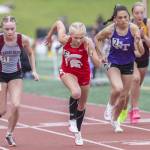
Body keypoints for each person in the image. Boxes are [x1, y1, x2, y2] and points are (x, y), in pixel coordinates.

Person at [45, 20, 101, 145]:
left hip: (84, 74)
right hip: (67, 71)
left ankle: (78, 133)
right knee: (76, 93)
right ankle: (71, 120)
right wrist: (49, 35)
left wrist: (92, 53)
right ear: (71, 35)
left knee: (82, 105)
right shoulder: (63, 39)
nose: (78, 40)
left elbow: (97, 64)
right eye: (76, 37)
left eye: (81, 37)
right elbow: (58, 23)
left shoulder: (87, 43)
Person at [94, 4, 144, 132]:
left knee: (124, 96)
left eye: (125, 17)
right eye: (120, 18)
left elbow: (141, 52)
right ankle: (110, 106)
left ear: (129, 17)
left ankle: (115, 121)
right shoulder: (110, 30)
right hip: (113, 62)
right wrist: (101, 54)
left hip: (128, 63)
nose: (123, 20)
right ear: (115, 19)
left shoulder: (133, 29)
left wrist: (138, 42)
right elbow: (97, 38)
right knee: (118, 88)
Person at [0, 16, 39, 146]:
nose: (10, 32)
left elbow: (31, 53)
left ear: (16, 28)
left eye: (12, 29)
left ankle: (9, 134)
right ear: (2, 29)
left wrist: (34, 70)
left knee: (16, 105)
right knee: (2, 111)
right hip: (0, 76)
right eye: (7, 29)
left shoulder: (22, 39)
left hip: (15, 75)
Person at [128, 2, 150, 124]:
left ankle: (130, 107)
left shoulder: (147, 23)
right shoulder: (129, 24)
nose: (139, 15)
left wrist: (144, 36)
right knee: (135, 79)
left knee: (137, 85)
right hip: (132, 57)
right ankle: (135, 109)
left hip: (144, 57)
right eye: (137, 13)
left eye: (141, 12)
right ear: (133, 14)